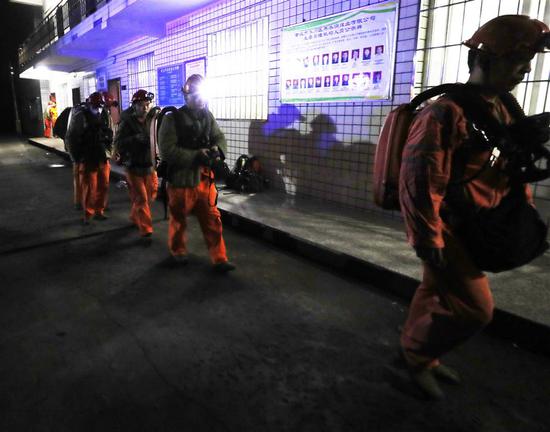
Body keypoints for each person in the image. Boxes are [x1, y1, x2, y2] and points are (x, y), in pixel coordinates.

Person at [398, 15, 550, 400]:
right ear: (484, 59)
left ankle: (415, 350)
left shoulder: (502, 108)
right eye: (518, 60)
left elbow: (507, 168)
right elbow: (420, 181)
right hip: (448, 227)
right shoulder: (444, 113)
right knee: (475, 309)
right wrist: (426, 236)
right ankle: (419, 356)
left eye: (529, 59)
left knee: (434, 290)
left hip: (479, 222)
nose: (526, 69)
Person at [158, 74, 235, 272]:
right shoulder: (172, 119)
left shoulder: (207, 116)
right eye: (196, 96)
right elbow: (166, 150)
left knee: (212, 220)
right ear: (187, 96)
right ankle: (178, 251)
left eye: (203, 95)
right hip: (181, 181)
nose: (201, 99)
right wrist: (195, 156)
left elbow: (219, 136)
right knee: (179, 220)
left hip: (205, 182)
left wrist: (218, 149)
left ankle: (220, 258)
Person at [114, 89, 158, 238]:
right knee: (141, 198)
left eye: (147, 104)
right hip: (133, 167)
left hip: (149, 166)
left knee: (151, 195)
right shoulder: (127, 123)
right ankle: (146, 228)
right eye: (141, 105)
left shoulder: (152, 121)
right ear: (134, 106)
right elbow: (118, 143)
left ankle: (134, 216)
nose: (145, 108)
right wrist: (135, 139)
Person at [66, 91, 113, 224]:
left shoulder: (104, 114)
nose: (98, 109)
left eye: (100, 106)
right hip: (87, 157)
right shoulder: (81, 116)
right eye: (96, 106)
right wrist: (76, 158)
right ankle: (88, 214)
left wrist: (110, 149)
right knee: (88, 187)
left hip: (102, 155)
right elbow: (72, 138)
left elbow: (109, 133)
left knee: (103, 185)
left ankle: (99, 211)